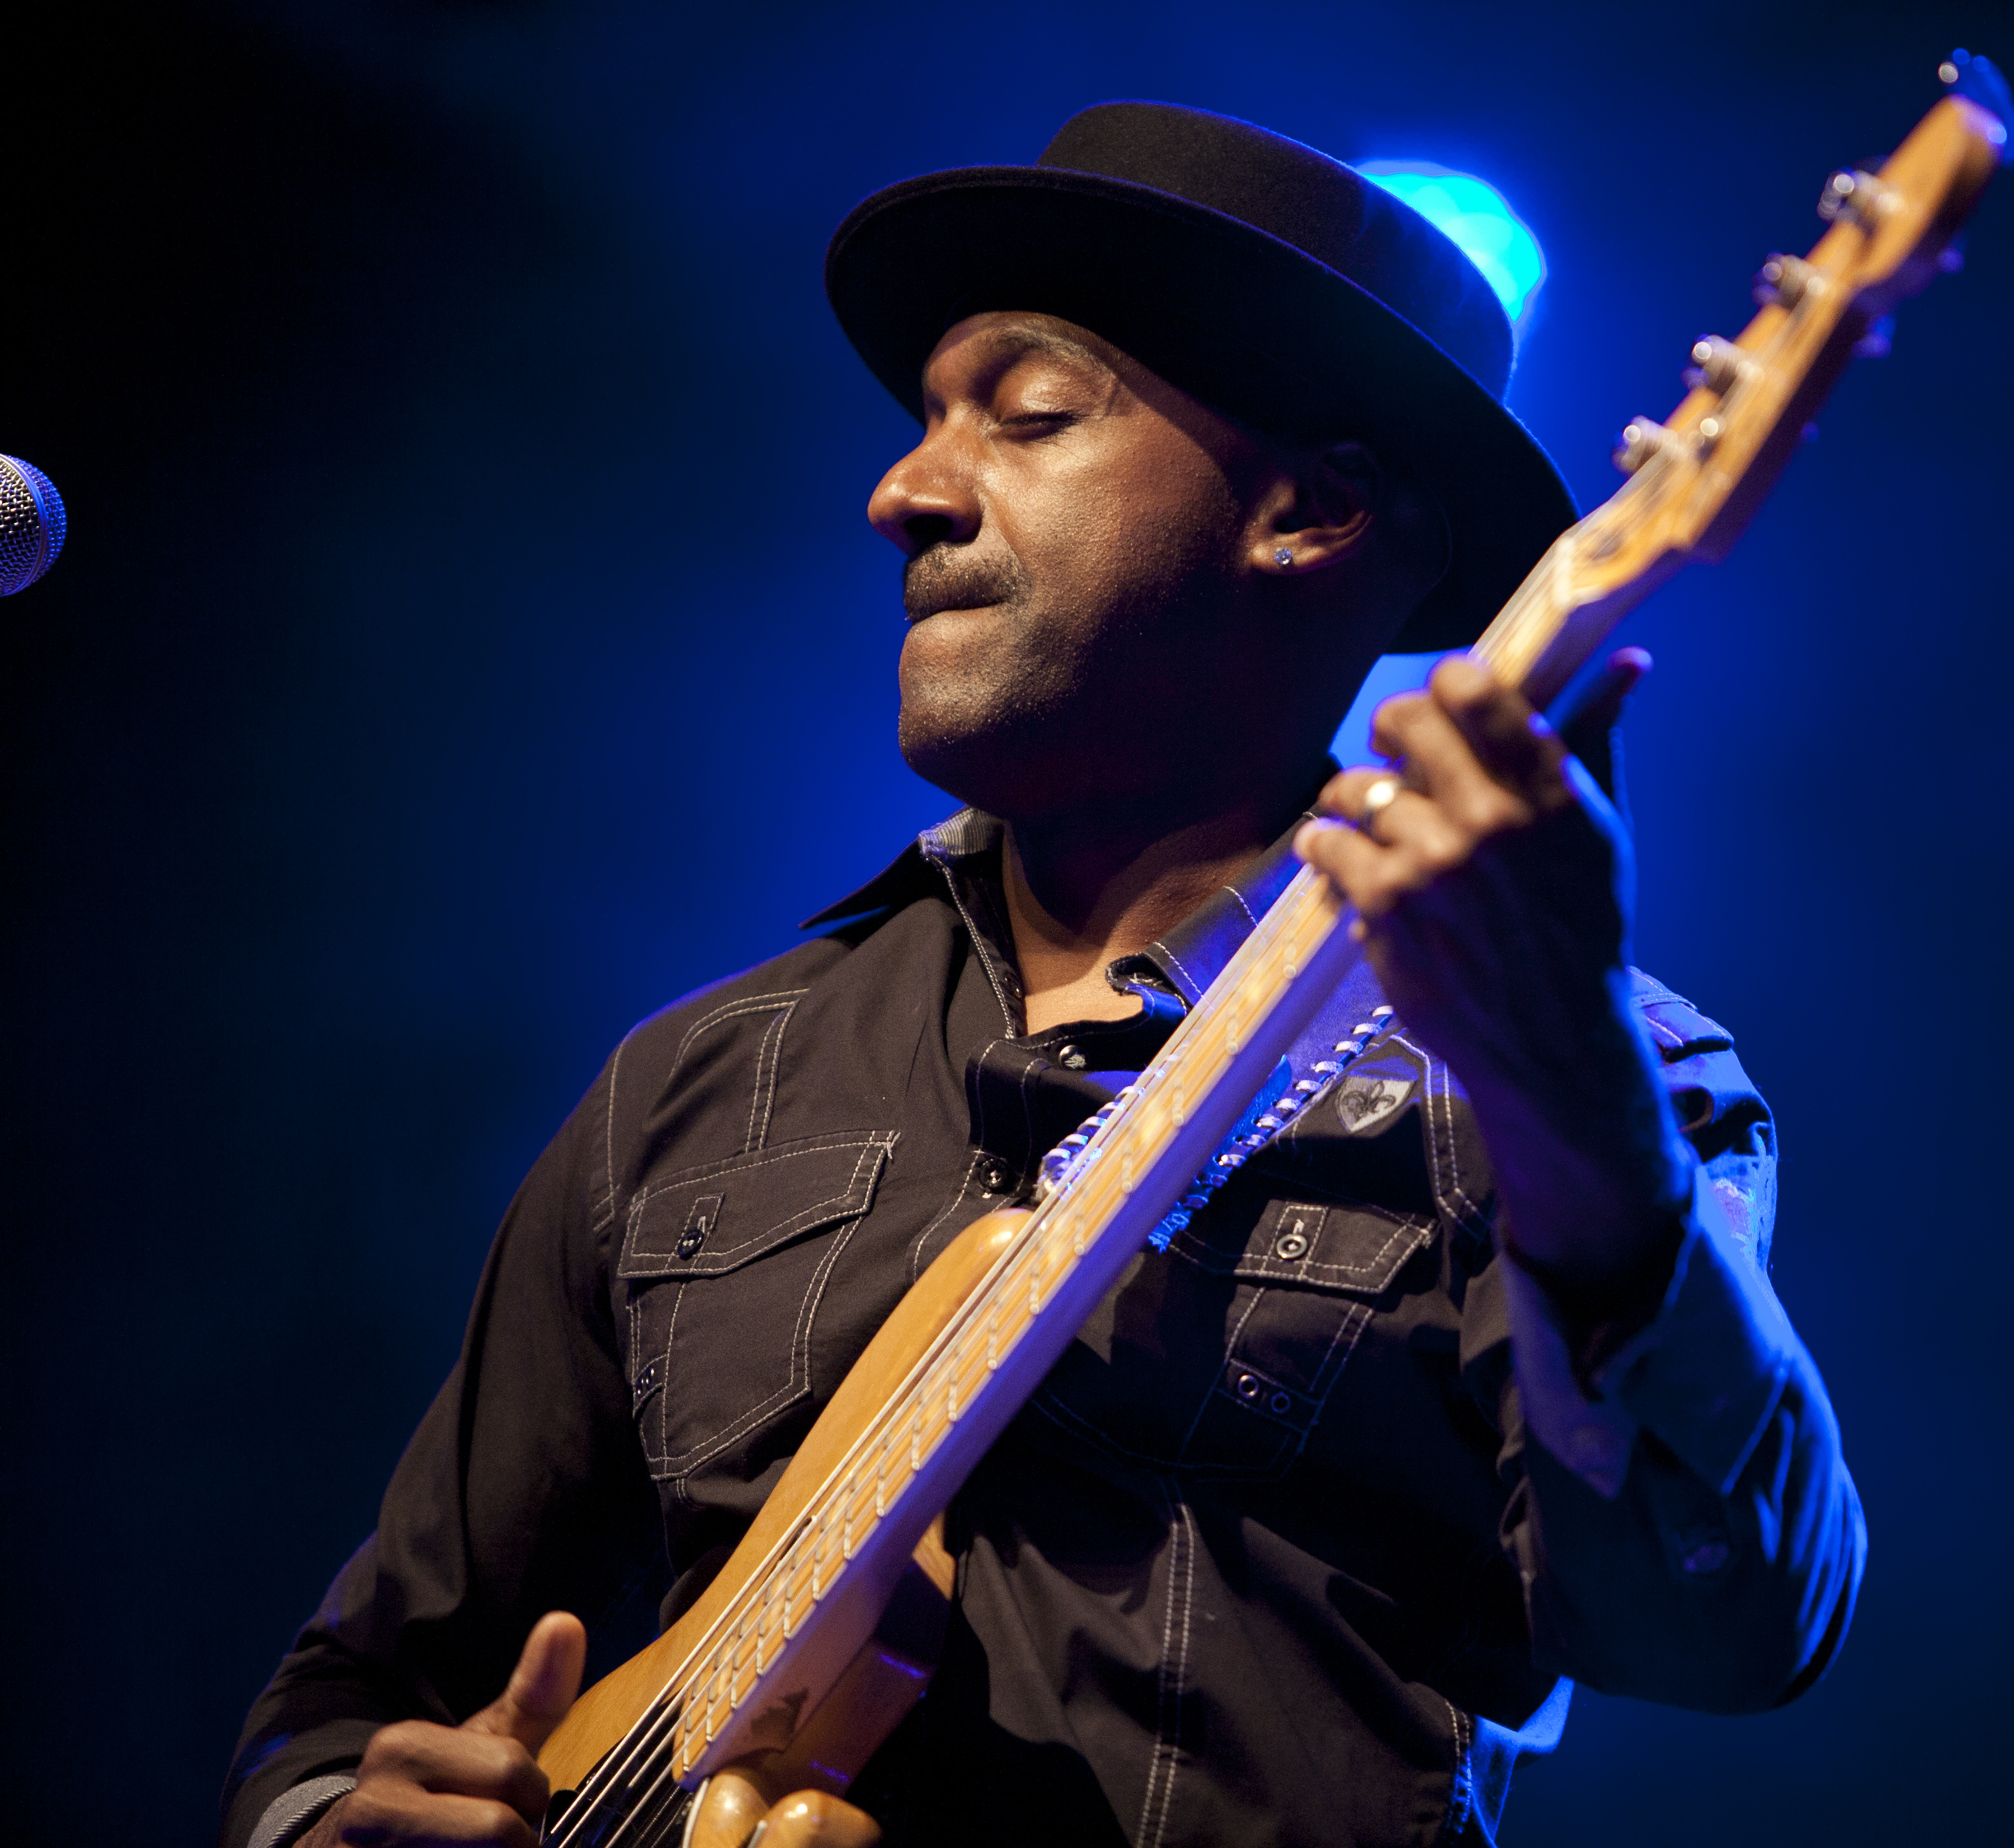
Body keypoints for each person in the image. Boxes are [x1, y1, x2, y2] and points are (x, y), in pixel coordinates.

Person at [222, 102, 1861, 1848]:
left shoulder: (1582, 1074)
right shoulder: (695, 1084)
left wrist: (1568, 1084)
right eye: (925, 421)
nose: (904, 492)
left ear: (1308, 511)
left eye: (1027, 414)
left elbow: (1729, 1622)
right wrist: (329, 1824)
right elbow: (351, 1701)